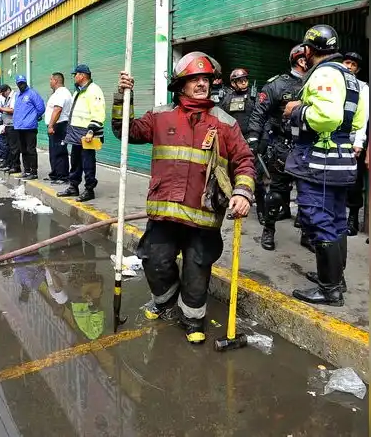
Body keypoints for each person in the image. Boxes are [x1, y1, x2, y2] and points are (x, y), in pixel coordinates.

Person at [114, 52, 255, 344]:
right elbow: (124, 131)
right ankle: (166, 303)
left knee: (196, 267)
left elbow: (244, 160)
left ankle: (192, 318)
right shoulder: (160, 115)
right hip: (165, 212)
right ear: (181, 85)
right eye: (195, 79)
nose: (202, 84)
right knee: (154, 261)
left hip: (203, 215)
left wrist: (242, 192)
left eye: (205, 79)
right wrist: (123, 97)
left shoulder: (225, 122)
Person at [284, 25, 368, 306]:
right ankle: (336, 278)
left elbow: (327, 116)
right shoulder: (353, 78)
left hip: (319, 161)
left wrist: (297, 109)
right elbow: (357, 122)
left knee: (318, 220)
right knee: (336, 221)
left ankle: (329, 290)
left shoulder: (325, 73)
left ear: (309, 49)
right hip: (342, 160)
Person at [246, 46, 309, 251]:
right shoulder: (278, 85)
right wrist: (254, 138)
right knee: (277, 193)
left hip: (310, 147)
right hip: (283, 146)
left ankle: (308, 235)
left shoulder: (318, 83)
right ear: (301, 61)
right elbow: (259, 112)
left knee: (309, 194)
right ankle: (269, 230)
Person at [218, 68, 266, 225]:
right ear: (233, 83)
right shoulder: (226, 98)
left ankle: (262, 211)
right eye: (240, 80)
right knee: (229, 177)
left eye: (245, 79)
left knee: (256, 179)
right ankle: (233, 206)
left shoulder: (254, 97)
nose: (244, 82)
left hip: (250, 140)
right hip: (232, 141)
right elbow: (221, 118)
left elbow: (260, 119)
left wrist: (256, 140)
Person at [58, 64, 105, 202]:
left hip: (87, 134)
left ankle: (89, 189)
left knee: (88, 162)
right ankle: (74, 186)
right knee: (75, 161)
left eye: (76, 74)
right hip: (76, 133)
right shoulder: (79, 91)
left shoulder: (94, 91)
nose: (74, 77)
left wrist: (91, 131)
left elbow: (99, 112)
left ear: (82, 75)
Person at [342, 52, 369, 236]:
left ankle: (352, 218)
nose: (349, 66)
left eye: (353, 64)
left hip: (352, 140)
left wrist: (359, 142)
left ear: (357, 69)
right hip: (334, 138)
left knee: (353, 181)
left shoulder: (363, 87)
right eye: (347, 62)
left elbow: (364, 115)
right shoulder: (335, 82)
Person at [12, 74, 45, 180]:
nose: (21, 85)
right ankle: (26, 170)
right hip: (19, 127)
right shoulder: (17, 95)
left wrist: (34, 117)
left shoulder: (32, 94)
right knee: (23, 150)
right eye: (19, 83)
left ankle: (33, 172)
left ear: (26, 83)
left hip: (29, 127)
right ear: (17, 84)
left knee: (31, 150)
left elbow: (41, 108)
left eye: (23, 83)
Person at [44, 72, 73, 183]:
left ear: (56, 80)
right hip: (56, 125)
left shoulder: (62, 93)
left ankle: (63, 176)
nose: (50, 82)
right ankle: (55, 174)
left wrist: (51, 125)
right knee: (54, 150)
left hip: (59, 125)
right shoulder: (57, 93)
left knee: (60, 151)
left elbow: (57, 110)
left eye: (51, 79)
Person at [0, 84, 20, 173]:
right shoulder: (8, 98)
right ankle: (10, 164)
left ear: (7, 90)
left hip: (13, 125)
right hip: (7, 125)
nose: (2, 95)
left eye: (3, 93)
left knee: (14, 147)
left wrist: (1, 109)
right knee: (9, 147)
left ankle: (16, 166)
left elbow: (13, 110)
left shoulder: (14, 97)